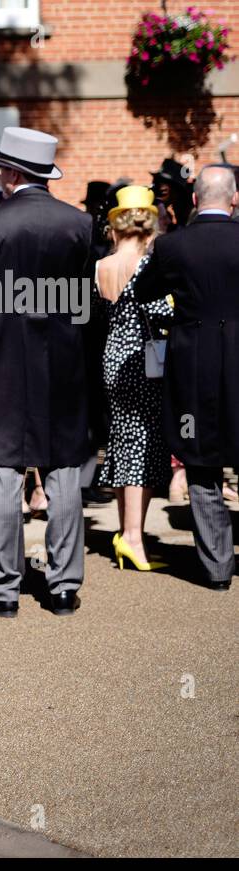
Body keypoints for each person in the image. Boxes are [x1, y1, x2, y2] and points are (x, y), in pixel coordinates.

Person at [0, 126, 93, 618]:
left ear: (10, 173)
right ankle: (62, 586)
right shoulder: (79, 223)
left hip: (3, 359)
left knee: (4, 470)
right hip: (62, 358)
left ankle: (5, 588)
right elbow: (84, 300)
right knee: (62, 470)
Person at [136, 164, 239, 590]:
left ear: (195, 200)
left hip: (194, 361)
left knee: (200, 462)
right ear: (234, 200)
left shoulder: (172, 247)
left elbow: (144, 293)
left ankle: (217, 567)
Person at [91, 186, 173, 572]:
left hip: (112, 356)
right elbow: (160, 314)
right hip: (143, 357)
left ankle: (127, 535)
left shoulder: (101, 266)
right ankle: (133, 538)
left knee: (124, 442)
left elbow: (93, 315)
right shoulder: (148, 266)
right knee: (141, 445)